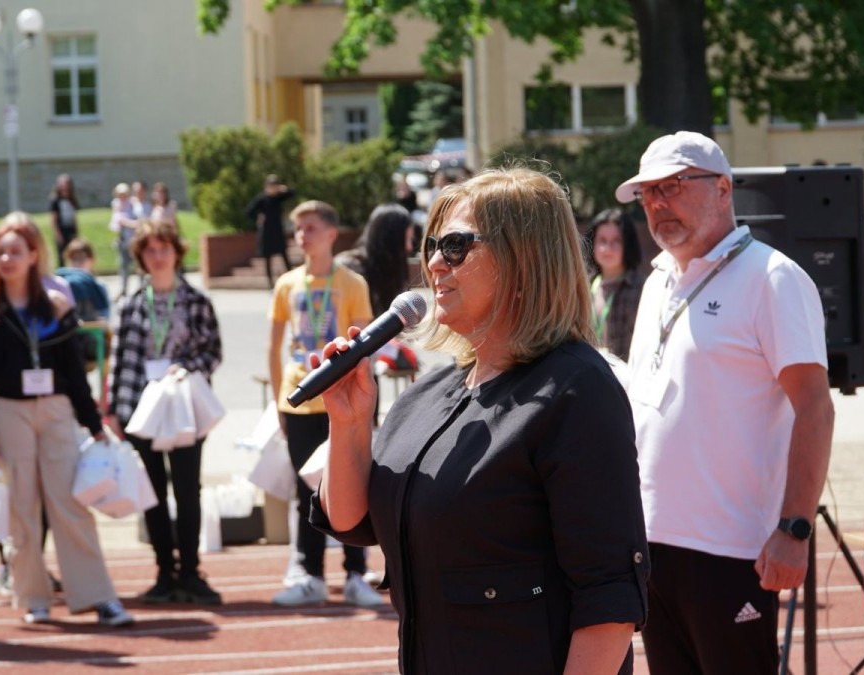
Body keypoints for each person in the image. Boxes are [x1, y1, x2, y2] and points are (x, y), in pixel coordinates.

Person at [311, 167, 649, 673]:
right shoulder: (428, 395)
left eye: (455, 246)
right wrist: (350, 420)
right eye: (429, 246)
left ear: (524, 257)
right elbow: (349, 519)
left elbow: (609, 600)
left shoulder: (577, 390)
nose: (433, 264)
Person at [615, 131, 834, 673]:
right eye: (648, 193)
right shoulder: (658, 280)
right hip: (651, 545)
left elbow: (816, 409)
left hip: (734, 551)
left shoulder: (772, 279)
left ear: (723, 189)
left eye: (673, 186)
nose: (658, 203)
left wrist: (796, 529)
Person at [0, 212, 134, 628]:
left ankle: (98, 597)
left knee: (70, 504)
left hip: (57, 408)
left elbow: (75, 371)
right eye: (1, 251)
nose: (7, 258)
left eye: (16, 251)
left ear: (33, 255)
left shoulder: (58, 306)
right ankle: (33, 597)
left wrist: (94, 423)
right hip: (9, 412)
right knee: (23, 505)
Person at [266, 200, 384, 608]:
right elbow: (274, 346)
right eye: (298, 229)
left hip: (340, 403)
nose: (302, 236)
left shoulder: (352, 283)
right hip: (298, 401)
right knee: (307, 491)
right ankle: (310, 574)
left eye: (311, 228)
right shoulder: (287, 284)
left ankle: (356, 573)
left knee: (352, 484)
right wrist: (277, 399)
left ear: (332, 234)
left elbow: (364, 346)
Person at [107, 221, 224, 605]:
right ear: (141, 256)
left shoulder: (196, 301)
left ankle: (190, 572)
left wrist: (186, 367)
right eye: (150, 250)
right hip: (143, 411)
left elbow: (212, 352)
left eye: (165, 249)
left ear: (177, 253)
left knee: (188, 490)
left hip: (185, 406)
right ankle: (163, 573)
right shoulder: (130, 305)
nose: (158, 256)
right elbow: (120, 361)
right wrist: (114, 413)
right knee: (152, 494)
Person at [583, 208, 645, 362]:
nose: (607, 249)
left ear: (628, 245)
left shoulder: (642, 288)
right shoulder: (583, 286)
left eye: (616, 241)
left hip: (626, 380)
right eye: (602, 241)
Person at [335, 203, 414, 316]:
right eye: (407, 239)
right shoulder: (349, 269)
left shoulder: (392, 271)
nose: (409, 247)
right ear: (391, 239)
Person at [246, 175, 295, 287]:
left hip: (278, 231)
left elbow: (293, 193)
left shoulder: (278, 197)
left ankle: (291, 279)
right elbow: (249, 211)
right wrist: (258, 217)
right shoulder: (261, 199)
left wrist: (284, 189)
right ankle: (270, 284)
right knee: (267, 259)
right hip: (266, 232)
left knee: (284, 255)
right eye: (272, 186)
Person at [57, 238, 111, 323]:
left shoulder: (99, 286)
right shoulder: (62, 285)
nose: (78, 263)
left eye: (82, 258)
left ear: (92, 260)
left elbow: (106, 317)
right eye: (74, 259)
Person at [110, 182, 138, 299]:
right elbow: (116, 223)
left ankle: (140, 288)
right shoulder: (116, 205)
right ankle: (123, 289)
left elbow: (136, 221)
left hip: (133, 239)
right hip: (122, 240)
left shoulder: (133, 204)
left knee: (138, 265)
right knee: (123, 266)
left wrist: (127, 223)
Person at [48, 174, 80, 267]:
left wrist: (77, 230)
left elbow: (74, 216)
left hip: (71, 228)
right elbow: (53, 218)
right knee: (61, 254)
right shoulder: (55, 200)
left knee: (74, 252)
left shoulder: (71, 198)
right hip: (61, 229)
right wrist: (57, 233)